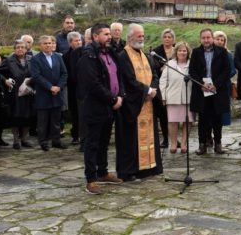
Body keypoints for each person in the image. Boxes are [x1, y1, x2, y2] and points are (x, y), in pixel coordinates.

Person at [77, 23, 124, 195]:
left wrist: (121, 96)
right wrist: (112, 99)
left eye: (109, 34)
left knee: (104, 142)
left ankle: (103, 172)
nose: (109, 36)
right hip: (95, 106)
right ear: (95, 37)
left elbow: (118, 77)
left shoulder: (111, 53)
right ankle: (91, 179)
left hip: (110, 106)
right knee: (92, 144)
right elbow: (93, 84)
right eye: (105, 34)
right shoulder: (88, 56)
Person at [116, 24, 163, 181]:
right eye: (138, 36)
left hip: (148, 103)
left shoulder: (146, 55)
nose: (141, 38)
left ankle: (149, 167)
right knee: (131, 140)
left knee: (150, 136)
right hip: (132, 105)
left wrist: (153, 89)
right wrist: (148, 91)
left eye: (142, 35)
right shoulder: (123, 56)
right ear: (129, 37)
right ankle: (130, 171)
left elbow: (155, 74)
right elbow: (128, 80)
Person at [189, 28, 231, 155]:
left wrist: (215, 85)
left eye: (208, 37)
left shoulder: (222, 52)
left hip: (217, 90)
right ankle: (202, 145)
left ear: (212, 38)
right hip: (202, 91)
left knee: (217, 118)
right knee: (203, 119)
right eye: (204, 38)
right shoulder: (196, 52)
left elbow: (226, 70)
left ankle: (218, 144)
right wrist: (201, 84)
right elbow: (192, 71)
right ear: (200, 39)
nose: (206, 40)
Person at [30, 35, 68, 151]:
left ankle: (56, 141)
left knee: (56, 120)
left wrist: (58, 87)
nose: (48, 45)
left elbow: (64, 73)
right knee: (43, 121)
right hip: (43, 94)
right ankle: (43, 142)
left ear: (53, 44)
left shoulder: (58, 57)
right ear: (40, 45)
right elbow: (36, 76)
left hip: (57, 93)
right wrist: (50, 87)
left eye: (50, 43)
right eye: (45, 43)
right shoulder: (35, 59)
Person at [0, 40, 35, 149]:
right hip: (14, 93)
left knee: (28, 117)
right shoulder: (8, 60)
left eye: (22, 47)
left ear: (26, 49)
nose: (20, 49)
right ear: (14, 49)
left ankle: (24, 139)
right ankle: (16, 140)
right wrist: (5, 80)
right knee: (16, 117)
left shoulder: (31, 60)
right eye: (18, 47)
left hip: (28, 92)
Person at [159, 41, 193, 154]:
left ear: (188, 52)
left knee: (187, 122)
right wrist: (163, 97)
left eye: (184, 50)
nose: (182, 52)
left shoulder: (192, 64)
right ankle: (173, 143)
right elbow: (163, 81)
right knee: (172, 121)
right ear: (176, 51)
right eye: (180, 50)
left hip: (188, 97)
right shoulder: (169, 64)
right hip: (172, 97)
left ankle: (184, 144)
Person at [210, 30, 236, 148]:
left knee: (219, 115)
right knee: (207, 113)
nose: (220, 42)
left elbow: (232, 70)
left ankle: (217, 140)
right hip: (208, 86)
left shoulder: (228, 54)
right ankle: (207, 136)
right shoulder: (207, 53)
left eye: (222, 40)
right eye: (217, 39)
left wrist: (219, 80)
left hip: (222, 87)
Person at [63, 31, 83, 145]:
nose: (79, 42)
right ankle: (75, 135)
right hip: (73, 88)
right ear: (70, 43)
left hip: (85, 88)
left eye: (80, 40)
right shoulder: (66, 56)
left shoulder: (86, 53)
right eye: (76, 41)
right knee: (75, 112)